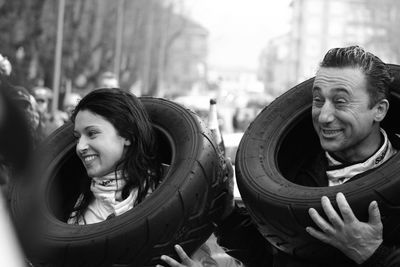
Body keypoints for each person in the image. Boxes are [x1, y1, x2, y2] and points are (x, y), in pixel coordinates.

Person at [170, 45, 400, 267]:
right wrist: (227, 214)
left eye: (340, 101)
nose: (324, 116)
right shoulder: (288, 174)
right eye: (318, 100)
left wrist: (374, 254)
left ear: (379, 110)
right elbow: (270, 256)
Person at [67, 88, 161, 224]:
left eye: (92, 133)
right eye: (77, 137)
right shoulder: (72, 198)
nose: (80, 147)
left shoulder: (161, 198)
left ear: (127, 135)